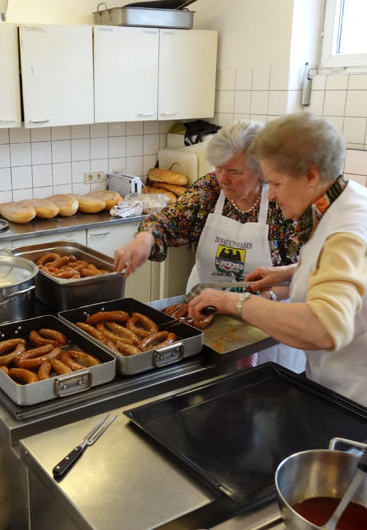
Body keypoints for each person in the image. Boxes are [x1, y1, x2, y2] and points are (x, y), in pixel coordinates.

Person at [188, 111, 367, 461]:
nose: (271, 196)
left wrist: (233, 303)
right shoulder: (339, 198)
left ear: (311, 175)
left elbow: (323, 327)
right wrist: (288, 273)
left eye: (276, 184)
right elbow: (346, 270)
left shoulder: (350, 228)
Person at [113, 119, 302, 369]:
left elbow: (309, 272)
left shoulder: (283, 200)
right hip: (204, 313)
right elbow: (167, 221)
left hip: (266, 319)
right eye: (219, 168)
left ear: (261, 170)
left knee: (261, 386)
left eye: (234, 172)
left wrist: (267, 295)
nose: (223, 178)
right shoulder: (210, 189)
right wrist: (144, 239)